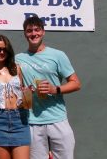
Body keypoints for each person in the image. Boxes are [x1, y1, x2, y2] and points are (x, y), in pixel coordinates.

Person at [15, 16, 81, 159]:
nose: (34, 34)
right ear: (25, 34)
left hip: (57, 118)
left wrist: (54, 89)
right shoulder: (18, 58)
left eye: (37, 30)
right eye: (29, 31)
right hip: (32, 122)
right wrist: (25, 93)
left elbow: (76, 83)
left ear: (43, 32)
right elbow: (17, 87)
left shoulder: (57, 55)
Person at [0, 35, 30, 159]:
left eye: (5, 49)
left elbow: (24, 93)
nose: (1, 52)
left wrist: (28, 95)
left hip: (20, 119)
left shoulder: (16, 68)